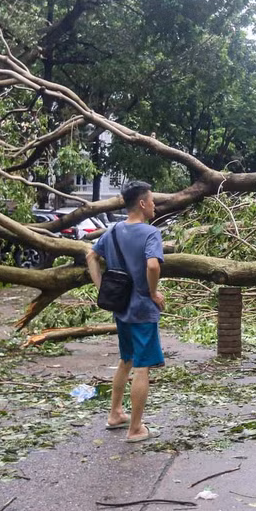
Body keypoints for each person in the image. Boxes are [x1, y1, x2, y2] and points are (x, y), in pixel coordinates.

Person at [86, 181, 165, 443]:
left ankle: (115, 414)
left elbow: (90, 257)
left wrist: (103, 289)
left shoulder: (114, 230)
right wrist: (153, 293)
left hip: (120, 309)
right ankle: (135, 429)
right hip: (142, 310)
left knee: (126, 360)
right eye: (152, 200)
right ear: (142, 204)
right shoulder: (150, 233)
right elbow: (153, 266)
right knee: (142, 367)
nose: (154, 204)